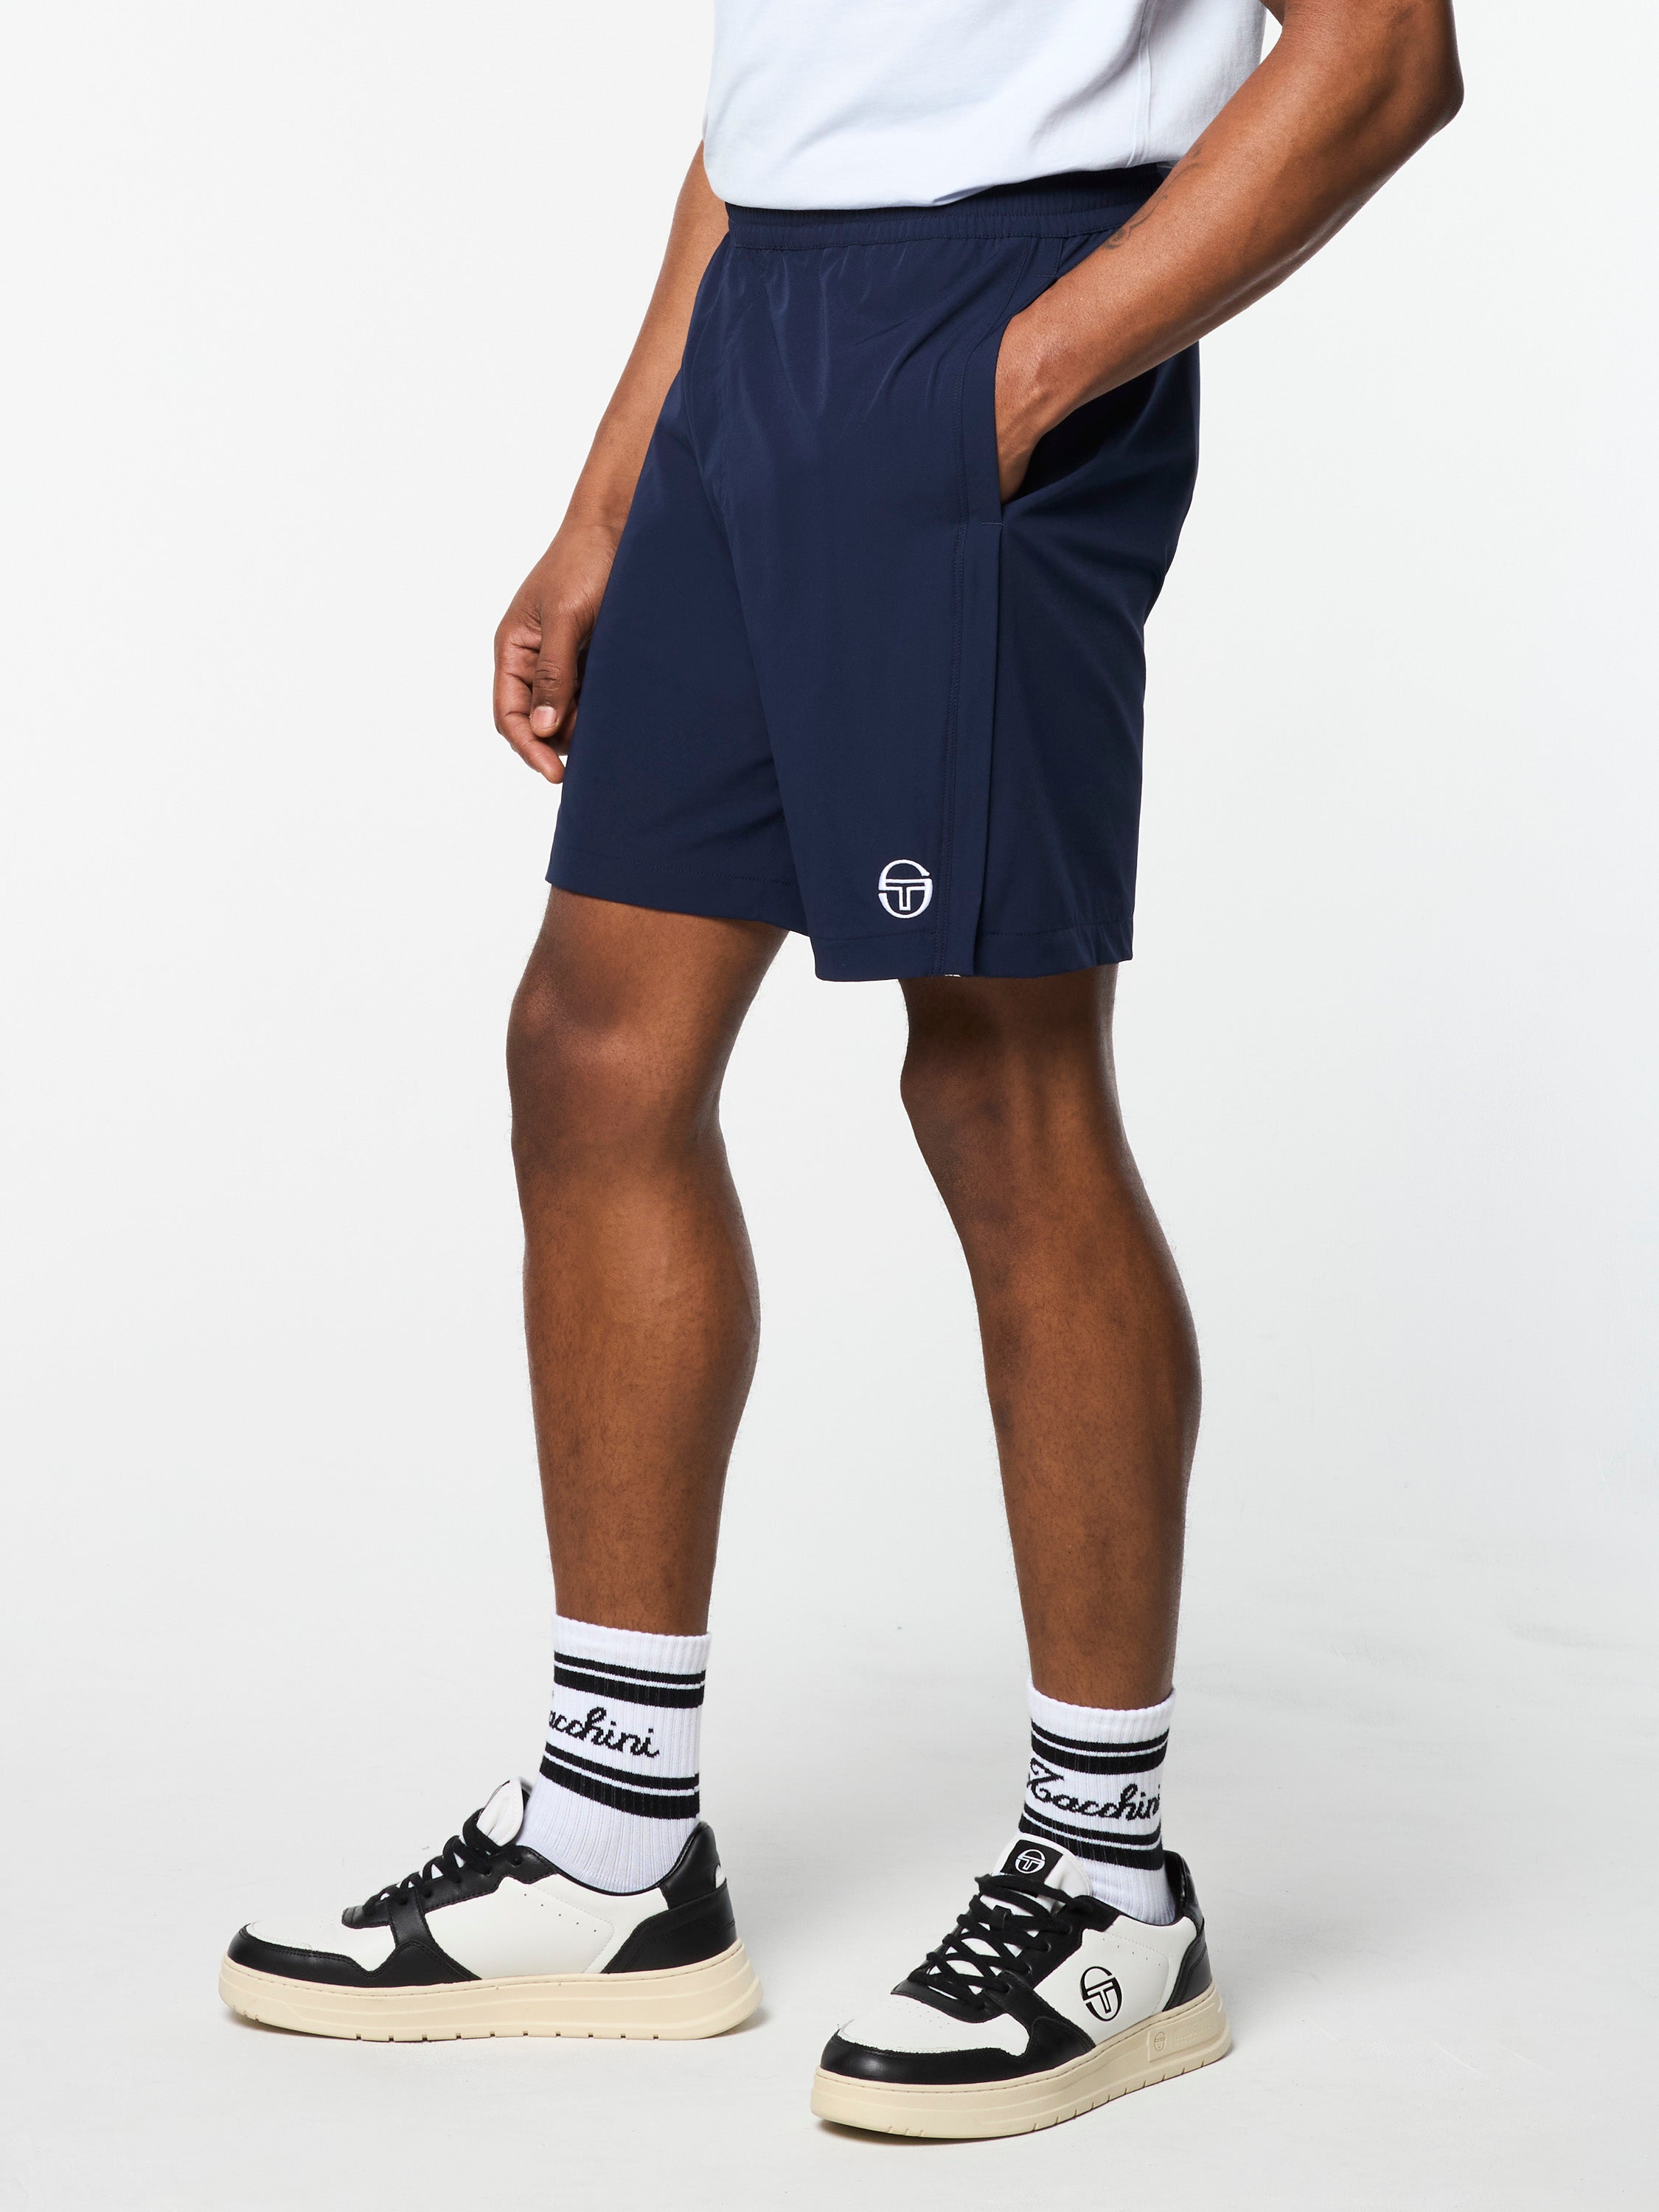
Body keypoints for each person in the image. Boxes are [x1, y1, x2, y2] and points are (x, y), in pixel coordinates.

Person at [219, 0, 1461, 2139]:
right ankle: (612, 1851)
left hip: (1000, 305)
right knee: (591, 1051)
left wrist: (1023, 379)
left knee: (997, 1081)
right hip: (758, 334)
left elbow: (1380, 55)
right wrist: (613, 495)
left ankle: (1109, 1883)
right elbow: (776, 103)